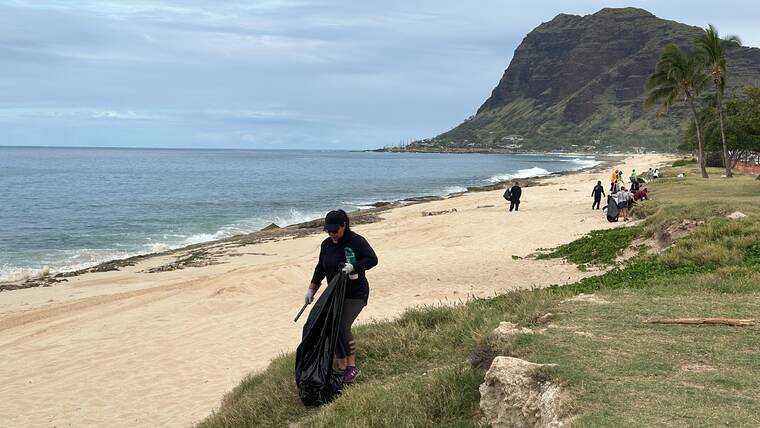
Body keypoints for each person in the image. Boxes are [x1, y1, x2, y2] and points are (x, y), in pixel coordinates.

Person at [306, 209, 378, 384]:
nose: (332, 234)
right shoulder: (326, 244)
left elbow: (372, 259)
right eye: (328, 231)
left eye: (335, 231)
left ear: (343, 225)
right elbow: (320, 268)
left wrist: (354, 267)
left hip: (356, 292)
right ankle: (342, 364)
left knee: (342, 324)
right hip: (335, 293)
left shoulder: (356, 241)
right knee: (331, 325)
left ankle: (352, 368)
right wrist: (311, 290)